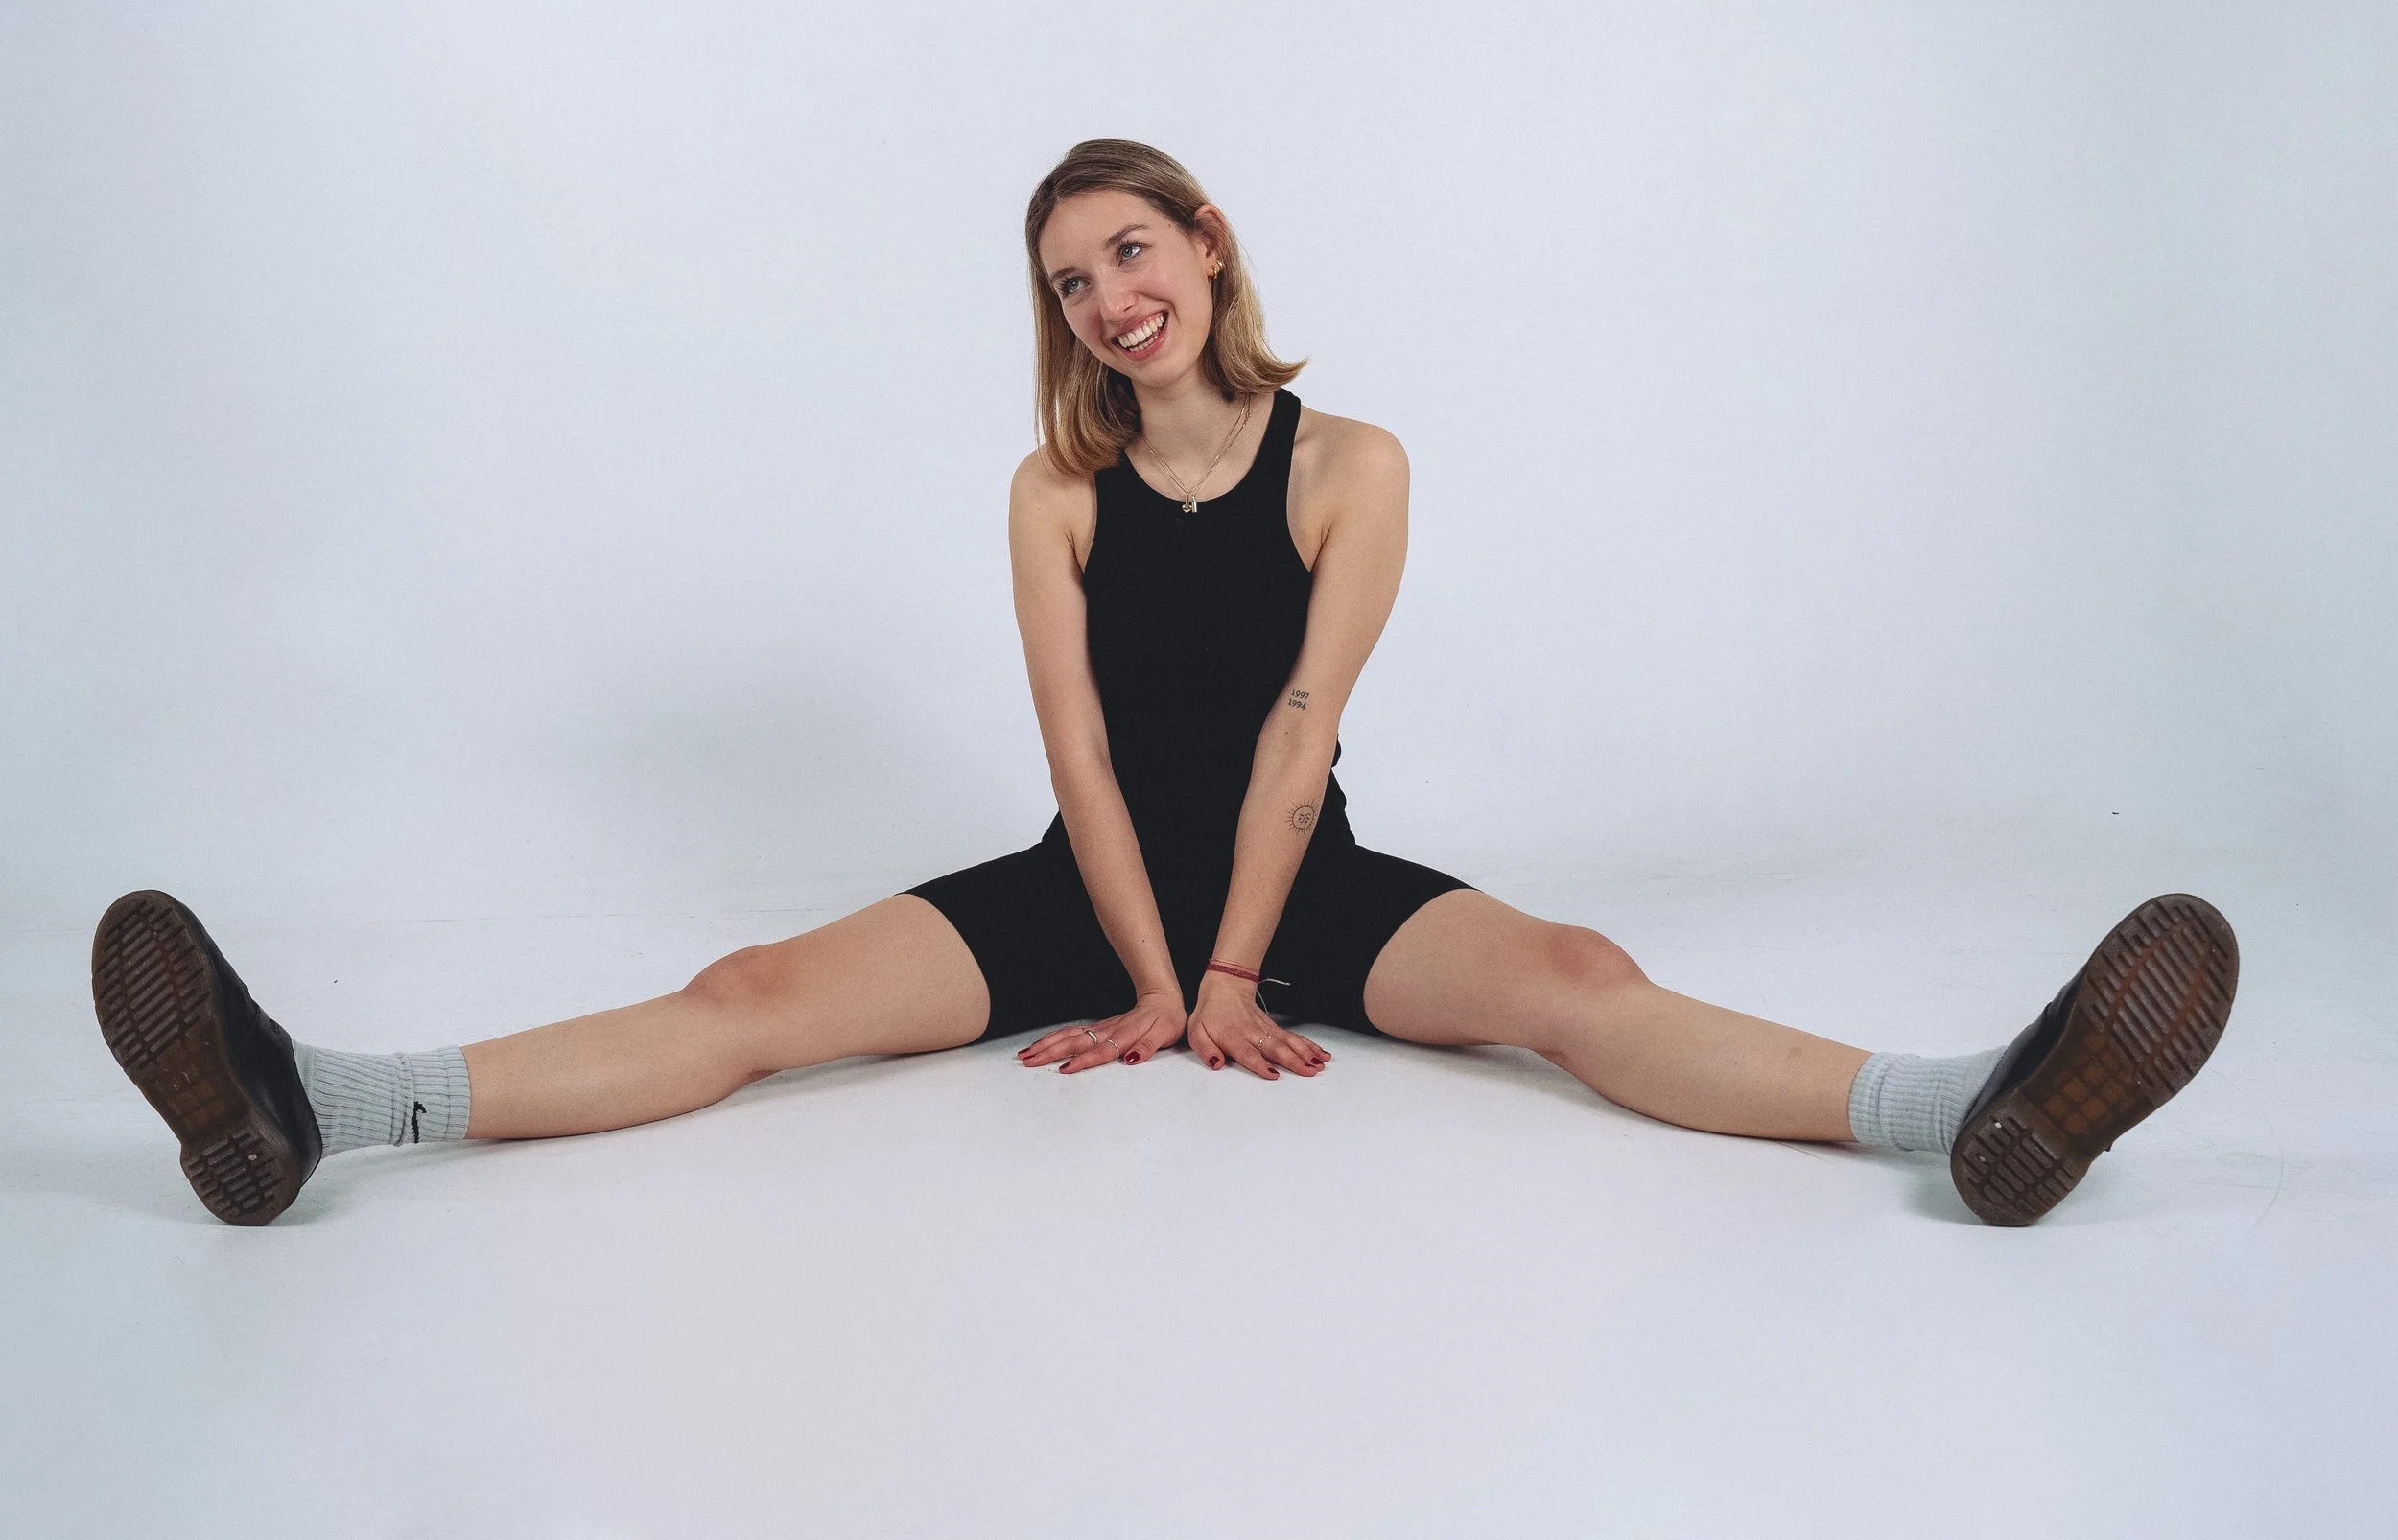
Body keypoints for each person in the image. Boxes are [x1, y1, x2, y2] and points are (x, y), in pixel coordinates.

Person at [90, 139, 2240, 1231]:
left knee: (1577, 972)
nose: (1103, 298)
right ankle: (318, 1095)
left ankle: (1971, 1105)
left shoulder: (1355, 463)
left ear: (1206, 241)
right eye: (1064, 281)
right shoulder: (1046, 491)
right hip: (1083, 890)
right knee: (746, 998)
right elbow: (1078, 749)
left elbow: (1296, 733)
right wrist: (1142, 970)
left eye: (1126, 250)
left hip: (1308, 885)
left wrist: (1235, 973)